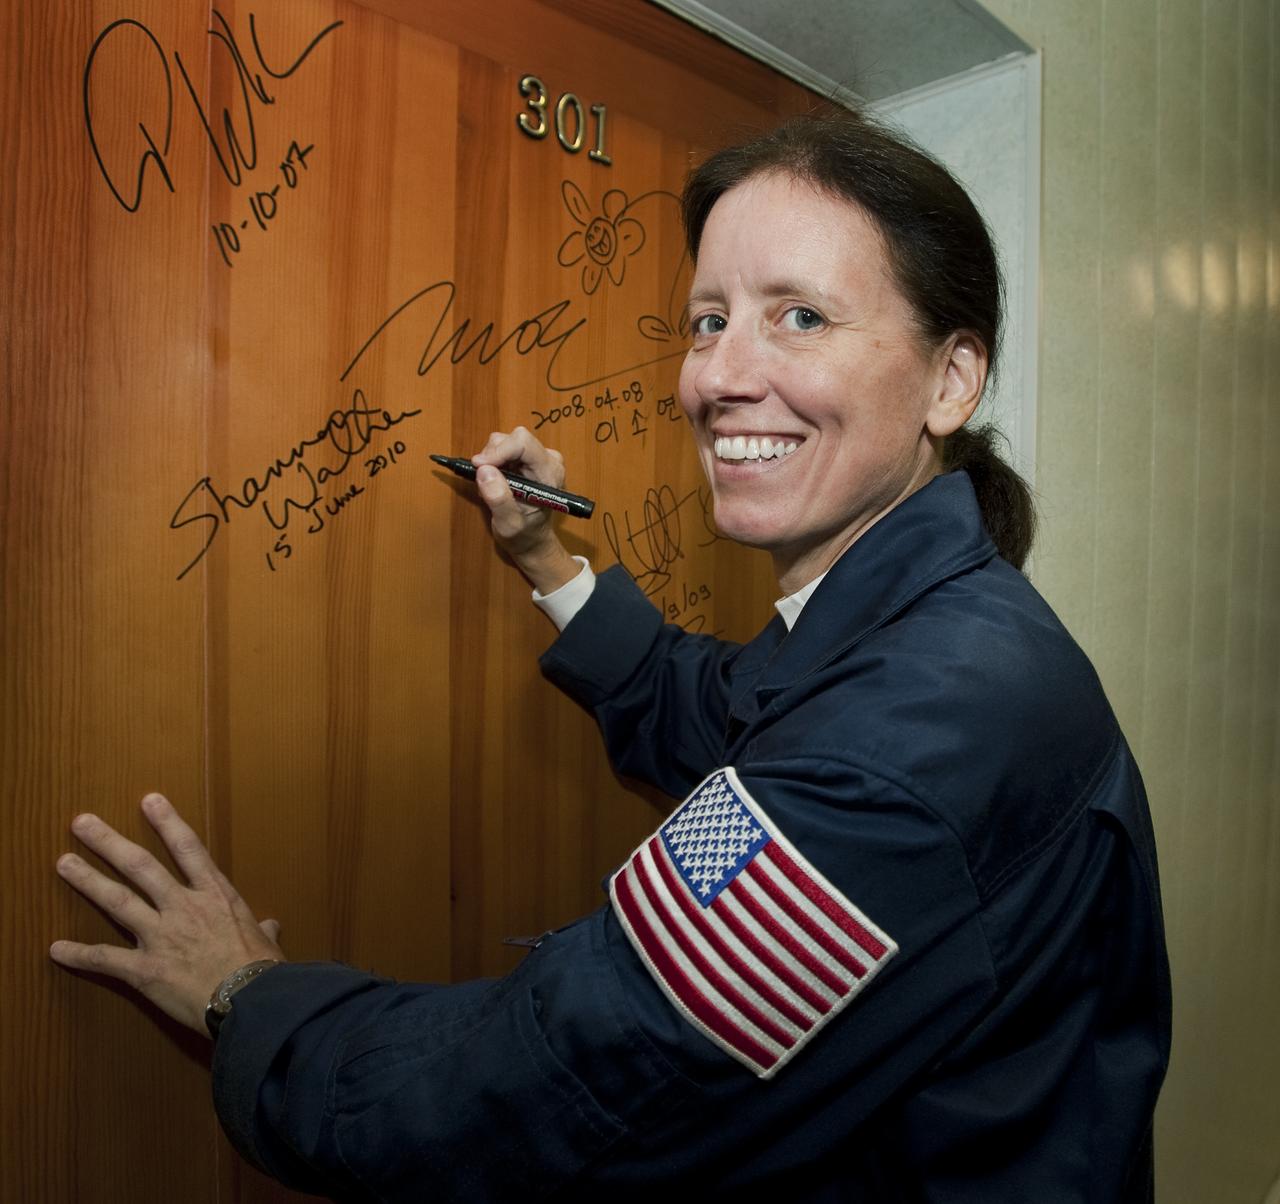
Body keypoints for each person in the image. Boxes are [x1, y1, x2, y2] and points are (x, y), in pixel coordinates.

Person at [51, 111, 1171, 1201]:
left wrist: (248, 997)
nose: (718, 376)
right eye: (706, 320)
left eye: (799, 319)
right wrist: (545, 557)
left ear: (950, 379)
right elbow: (729, 711)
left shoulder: (909, 740)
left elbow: (543, 1095)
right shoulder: (920, 630)